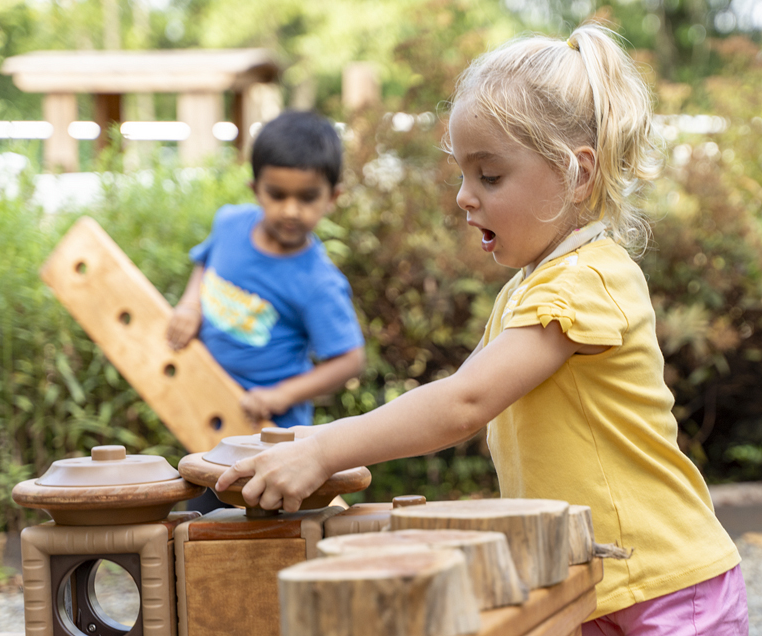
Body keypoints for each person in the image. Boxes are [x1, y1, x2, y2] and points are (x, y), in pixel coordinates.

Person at [215, 24, 748, 635]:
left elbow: (463, 403)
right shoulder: (529, 288)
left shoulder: (588, 280)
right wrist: (315, 443)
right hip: (594, 579)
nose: (465, 197)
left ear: (578, 176)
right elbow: (456, 393)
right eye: (463, 175)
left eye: (489, 176)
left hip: (669, 584)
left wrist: (322, 448)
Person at [166, 110, 366, 431]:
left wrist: (282, 395)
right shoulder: (229, 224)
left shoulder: (318, 282)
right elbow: (204, 261)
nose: (290, 210)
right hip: (202, 406)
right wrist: (190, 306)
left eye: (307, 197)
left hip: (269, 433)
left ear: (333, 197)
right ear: (255, 188)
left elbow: (350, 360)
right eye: (276, 195)